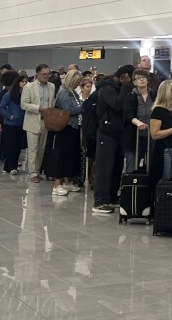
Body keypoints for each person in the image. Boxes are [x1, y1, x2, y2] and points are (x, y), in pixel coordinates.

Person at [92, 65, 131, 214]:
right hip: (106, 133)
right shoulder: (108, 88)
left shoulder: (116, 87)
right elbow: (118, 105)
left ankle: (112, 196)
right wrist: (125, 87)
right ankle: (100, 201)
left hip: (117, 132)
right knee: (104, 167)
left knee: (116, 167)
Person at [43, 70, 84, 196]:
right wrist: (84, 106)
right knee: (62, 156)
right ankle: (57, 184)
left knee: (70, 156)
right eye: (77, 82)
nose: (78, 84)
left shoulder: (73, 93)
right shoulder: (64, 93)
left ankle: (67, 181)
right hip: (65, 128)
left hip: (73, 127)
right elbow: (68, 110)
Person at [21, 65, 57, 183]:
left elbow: (52, 102)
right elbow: (24, 105)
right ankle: (32, 173)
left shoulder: (52, 86)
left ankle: (37, 169)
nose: (46, 76)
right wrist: (39, 108)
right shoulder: (29, 87)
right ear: (37, 74)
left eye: (48, 74)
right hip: (32, 120)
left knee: (41, 148)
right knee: (33, 148)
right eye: (44, 74)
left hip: (45, 121)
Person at [120, 68, 154, 174]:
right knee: (132, 165)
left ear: (148, 80)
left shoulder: (154, 94)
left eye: (144, 77)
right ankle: (130, 187)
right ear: (134, 82)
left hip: (151, 135)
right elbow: (127, 114)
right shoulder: (131, 96)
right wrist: (137, 122)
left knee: (151, 164)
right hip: (134, 135)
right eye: (138, 78)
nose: (141, 80)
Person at [148, 80, 172, 186]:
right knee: (166, 181)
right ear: (169, 92)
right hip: (164, 150)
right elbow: (154, 134)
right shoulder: (158, 110)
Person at [0, 71, 25, 175]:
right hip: (10, 124)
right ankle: (10, 166)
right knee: (10, 146)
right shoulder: (8, 95)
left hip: (21, 124)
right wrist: (10, 116)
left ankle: (13, 165)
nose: (24, 83)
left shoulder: (25, 95)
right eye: (22, 81)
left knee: (18, 146)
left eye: (26, 81)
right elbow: (1, 108)